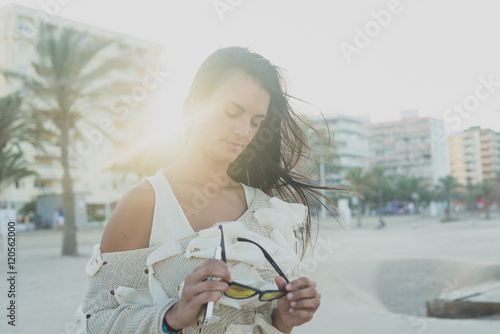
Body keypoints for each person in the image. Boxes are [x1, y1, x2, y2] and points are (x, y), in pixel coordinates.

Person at [71, 46, 343, 334]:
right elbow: (94, 320)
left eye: (255, 122)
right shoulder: (146, 202)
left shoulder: (264, 212)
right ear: (192, 107)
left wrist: (282, 321)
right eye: (231, 112)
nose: (243, 132)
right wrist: (172, 317)